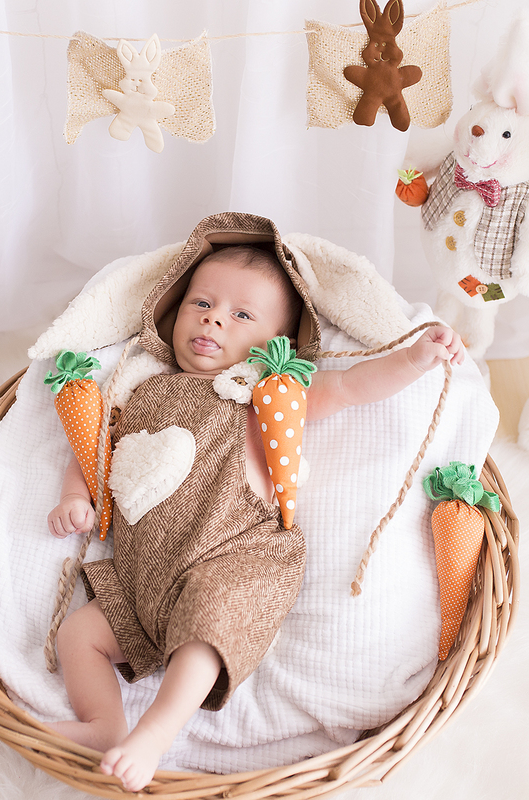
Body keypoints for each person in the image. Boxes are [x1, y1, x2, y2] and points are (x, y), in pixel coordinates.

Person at [46, 214, 463, 791]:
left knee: (205, 635)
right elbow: (93, 445)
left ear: (276, 347)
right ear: (173, 311)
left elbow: (348, 388)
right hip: (143, 574)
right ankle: (103, 723)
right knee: (79, 635)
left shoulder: (264, 392)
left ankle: (157, 731)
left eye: (242, 315)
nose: (214, 317)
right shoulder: (143, 387)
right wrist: (75, 493)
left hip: (234, 560)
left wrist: (415, 358)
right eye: (201, 303)